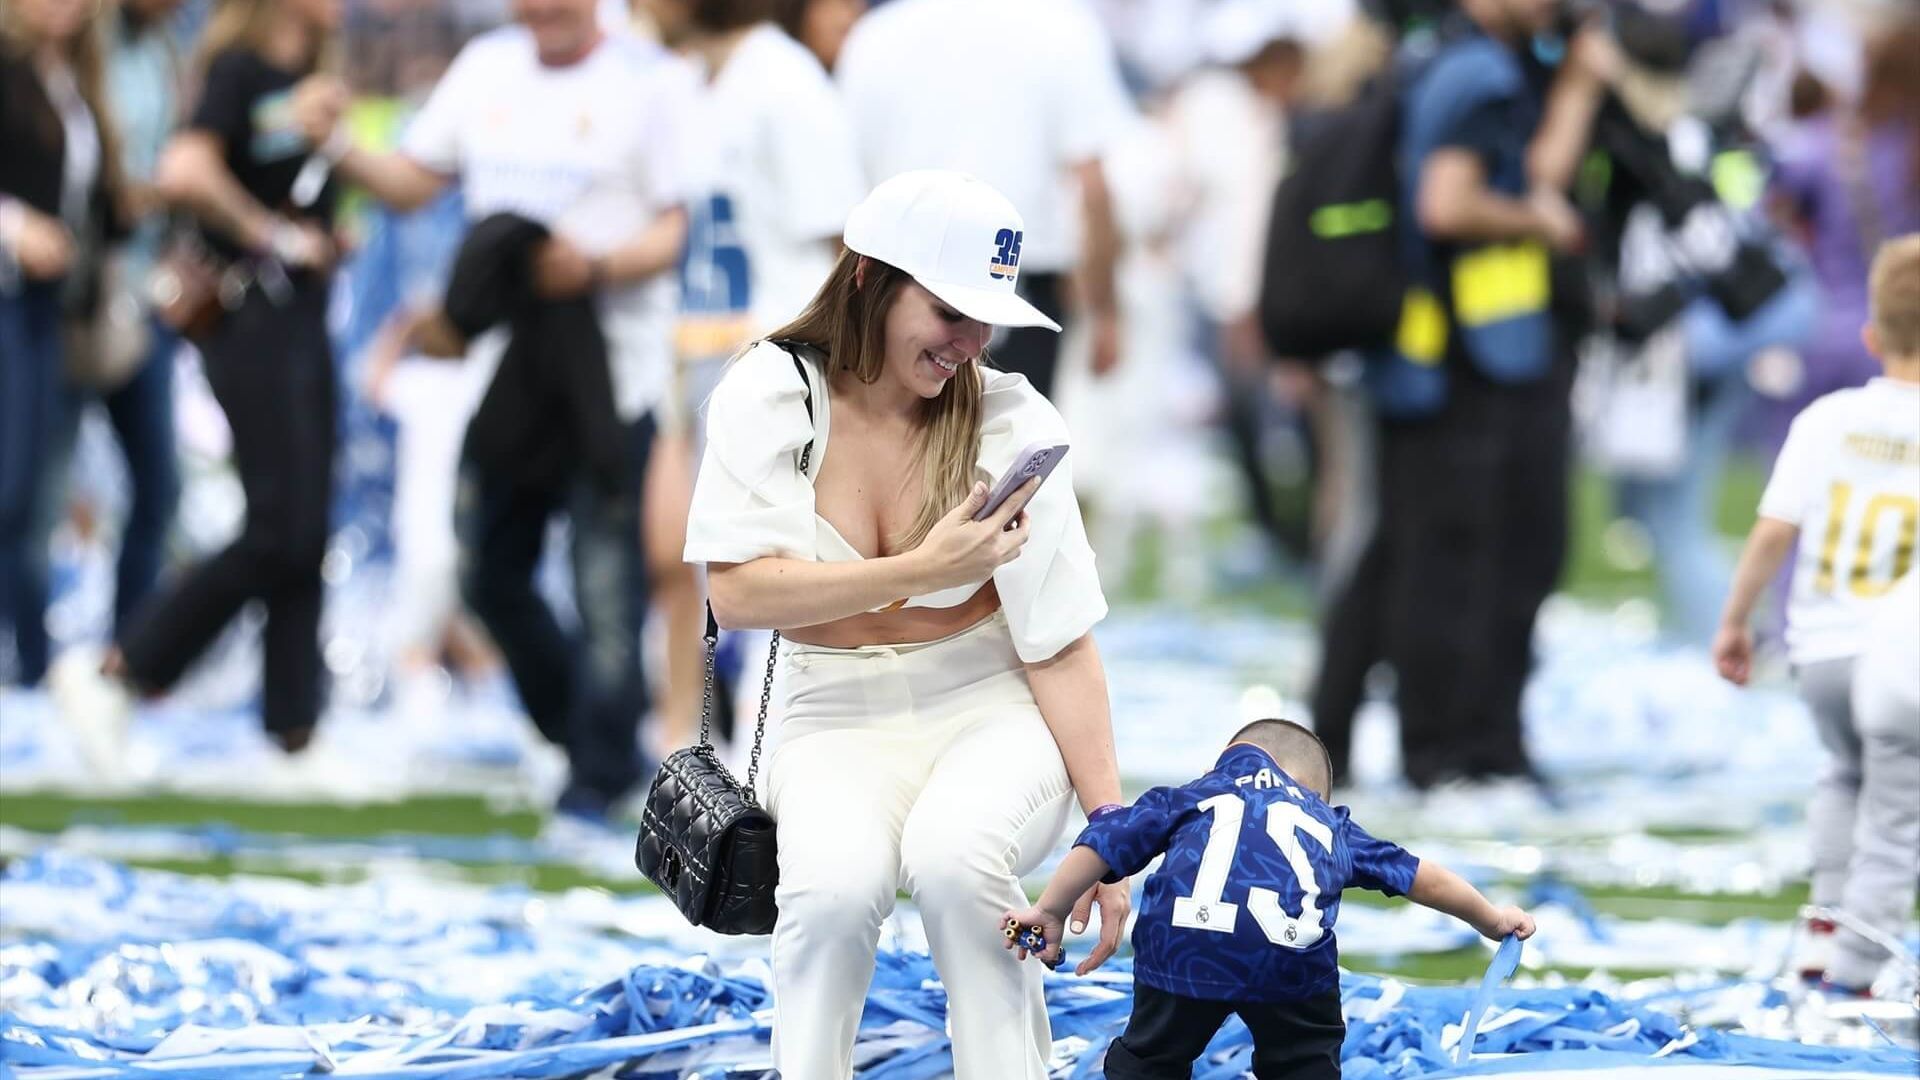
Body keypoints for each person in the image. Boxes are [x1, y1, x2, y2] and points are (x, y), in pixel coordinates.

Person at [684, 170, 1130, 1079]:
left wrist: (1111, 833)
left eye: (987, 317)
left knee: (959, 862)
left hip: (989, 705)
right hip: (829, 712)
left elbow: (1060, 642)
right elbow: (737, 595)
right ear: (867, 279)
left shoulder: (1012, 418)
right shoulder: (767, 391)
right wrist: (927, 572)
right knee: (832, 896)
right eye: (947, 310)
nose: (969, 342)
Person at [322, 0, 698, 825]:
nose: (545, 9)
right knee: (487, 573)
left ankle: (598, 771)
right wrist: (338, 141)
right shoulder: (487, 68)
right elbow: (415, 181)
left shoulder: (651, 81)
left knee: (608, 583)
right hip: (506, 378)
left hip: (614, 373)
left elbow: (678, 228)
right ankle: (588, 734)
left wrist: (594, 265)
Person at [82, 0, 343, 760]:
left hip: (301, 318)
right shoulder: (240, 69)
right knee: (279, 525)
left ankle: (296, 731)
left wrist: (322, 237)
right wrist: (273, 236)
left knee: (306, 529)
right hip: (249, 318)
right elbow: (186, 169)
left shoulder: (310, 76)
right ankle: (127, 665)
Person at [1003, 718, 1536, 1079]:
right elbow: (1423, 877)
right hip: (1289, 962)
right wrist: (1492, 919)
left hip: (1185, 951)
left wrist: (1049, 908)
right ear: (1313, 787)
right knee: (1304, 1059)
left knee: (1150, 1058)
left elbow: (1104, 840)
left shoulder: (1190, 796)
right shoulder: (1329, 821)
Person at [641, 0, 865, 750]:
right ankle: (682, 744)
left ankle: (759, 752)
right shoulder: (685, 84)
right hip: (697, 353)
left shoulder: (786, 83)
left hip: (771, 361)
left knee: (770, 570)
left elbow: (842, 243)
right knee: (677, 561)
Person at [1713, 232, 1920, 995]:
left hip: (1822, 648)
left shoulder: (1828, 418)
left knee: (1843, 774)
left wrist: (1737, 621)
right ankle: (1860, 971)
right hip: (1903, 659)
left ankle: (1825, 925)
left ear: (1872, 336)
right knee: (1899, 815)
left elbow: (1774, 530)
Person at [835, 0, 1133, 399]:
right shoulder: (1063, 28)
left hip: (898, 283)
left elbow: (844, 189)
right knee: (1010, 453)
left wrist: (845, 310)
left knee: (898, 452)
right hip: (1014, 283)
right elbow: (1093, 188)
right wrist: (1106, 311)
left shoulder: (876, 34)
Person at [1, 0, 124, 687]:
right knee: (13, 496)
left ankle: (29, 670)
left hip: (55, 309)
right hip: (9, 296)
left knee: (30, 502)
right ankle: (26, 666)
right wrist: (15, 225)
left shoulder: (74, 78)